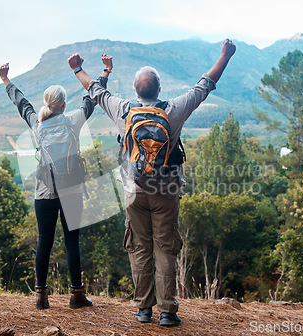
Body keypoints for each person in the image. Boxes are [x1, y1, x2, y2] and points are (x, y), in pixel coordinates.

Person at [67, 40, 236, 326]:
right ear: (159, 89)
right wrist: (225, 56)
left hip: (134, 192)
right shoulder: (174, 110)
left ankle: (144, 309)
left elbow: (95, 91)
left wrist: (78, 69)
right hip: (166, 192)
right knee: (165, 249)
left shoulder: (122, 109)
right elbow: (205, 85)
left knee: (140, 248)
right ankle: (168, 311)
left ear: (135, 90)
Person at [0, 62, 110, 310]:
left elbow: (23, 105)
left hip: (45, 193)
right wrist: (105, 73)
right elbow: (91, 98)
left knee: (44, 242)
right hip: (71, 191)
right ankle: (77, 295)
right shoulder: (73, 120)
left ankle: (41, 297)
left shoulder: (38, 125)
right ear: (63, 105)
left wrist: (7, 81)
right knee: (72, 243)